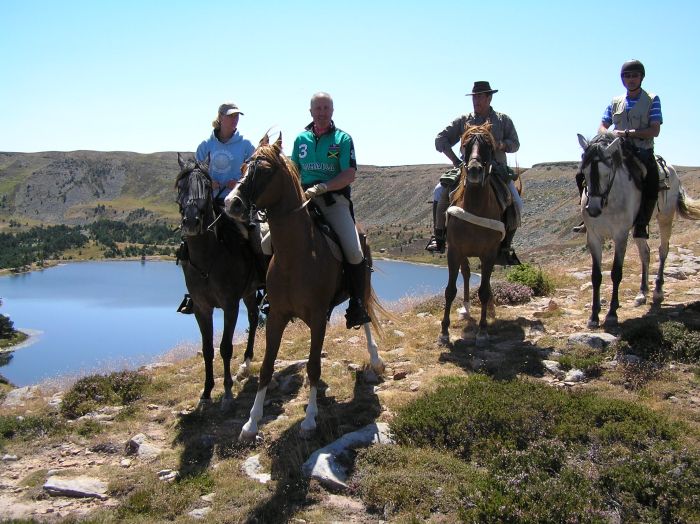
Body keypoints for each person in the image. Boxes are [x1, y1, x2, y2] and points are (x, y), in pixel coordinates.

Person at [291, 92, 371, 329]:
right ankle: (273, 294)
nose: (322, 112)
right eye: (318, 108)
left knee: (355, 251)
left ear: (332, 111)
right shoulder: (301, 139)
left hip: (333, 201)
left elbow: (349, 174)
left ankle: (356, 304)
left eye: (326, 108)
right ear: (311, 111)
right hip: (304, 199)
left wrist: (325, 186)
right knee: (269, 240)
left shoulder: (342, 139)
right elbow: (294, 170)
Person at [427, 81, 521, 265]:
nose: (476, 100)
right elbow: (441, 140)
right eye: (474, 97)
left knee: (517, 202)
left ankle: (505, 247)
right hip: (467, 168)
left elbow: (515, 143)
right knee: (439, 191)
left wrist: (501, 145)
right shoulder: (464, 121)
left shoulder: (503, 120)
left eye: (480, 96)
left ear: (489, 98)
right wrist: (455, 161)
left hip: (496, 169)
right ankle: (438, 237)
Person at [574, 60, 662, 237]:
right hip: (616, 149)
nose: (631, 79)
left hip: (641, 151)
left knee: (652, 179)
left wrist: (628, 133)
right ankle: (588, 215)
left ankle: (641, 223)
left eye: (634, 76)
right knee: (581, 173)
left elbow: (655, 130)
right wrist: (610, 135)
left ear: (641, 77)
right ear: (622, 79)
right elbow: (602, 126)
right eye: (627, 76)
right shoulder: (615, 102)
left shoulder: (652, 100)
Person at [196, 102, 256, 208]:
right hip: (209, 202)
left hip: (238, 202)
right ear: (220, 117)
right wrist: (209, 183)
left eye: (236, 116)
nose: (235, 119)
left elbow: (255, 174)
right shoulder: (205, 145)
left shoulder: (246, 145)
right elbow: (196, 176)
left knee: (252, 224)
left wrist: (239, 184)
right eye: (230, 116)